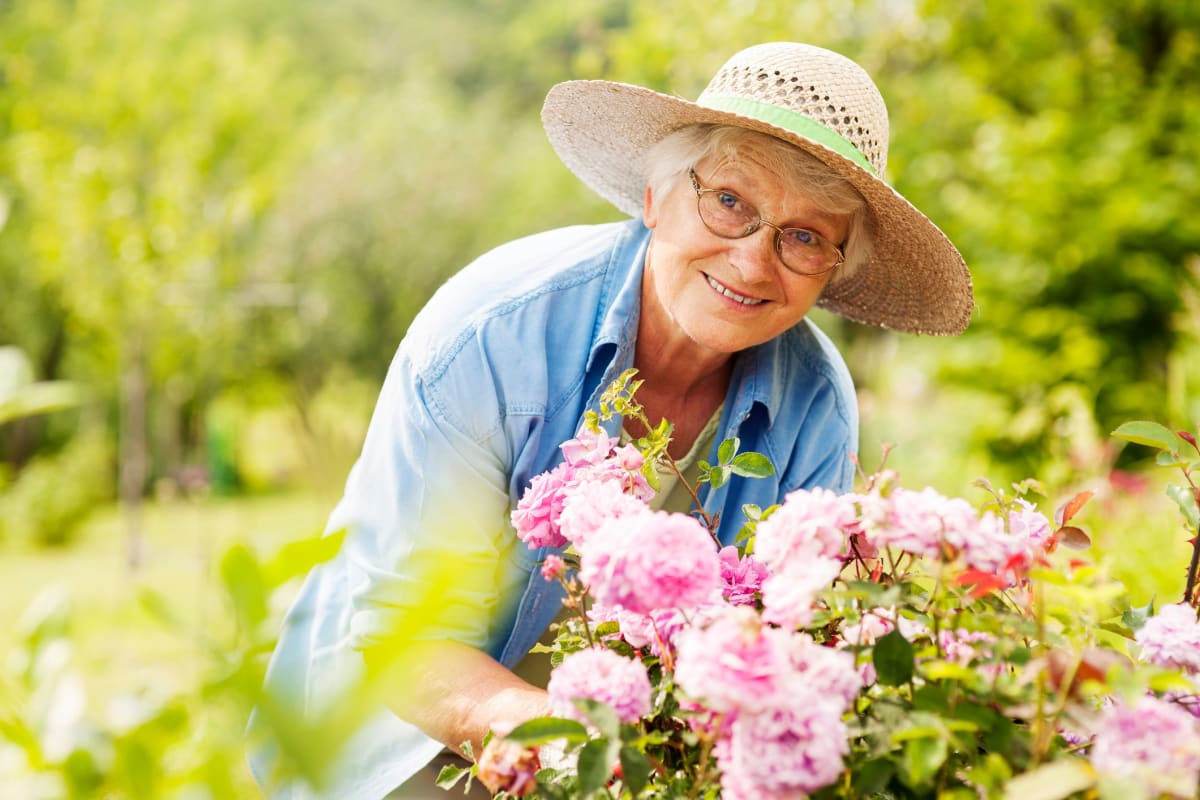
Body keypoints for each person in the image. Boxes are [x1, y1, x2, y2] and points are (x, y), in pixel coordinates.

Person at [248, 41, 972, 799]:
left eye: (805, 237)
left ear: (833, 270)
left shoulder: (816, 405)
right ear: (658, 197)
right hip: (398, 740)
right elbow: (403, 639)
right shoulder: (496, 336)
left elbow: (781, 651)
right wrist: (581, 752)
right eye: (730, 202)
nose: (755, 262)